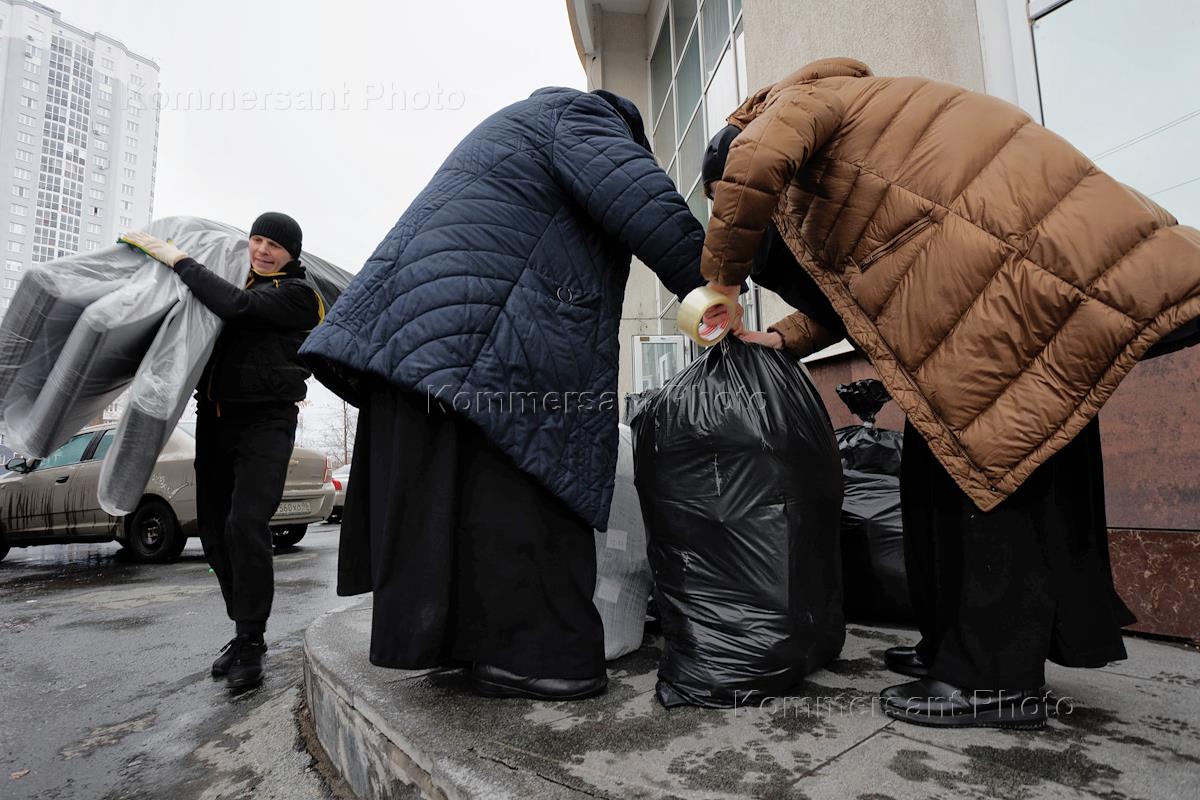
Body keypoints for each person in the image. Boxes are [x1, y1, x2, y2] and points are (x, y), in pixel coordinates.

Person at [700, 58, 1200, 728]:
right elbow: (857, 290)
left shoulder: (795, 107)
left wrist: (721, 284)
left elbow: (754, 165)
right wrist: (783, 337)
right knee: (936, 467)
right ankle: (953, 646)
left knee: (986, 468)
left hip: (1019, 282)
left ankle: (993, 679)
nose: (745, 217)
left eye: (722, 199)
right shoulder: (857, 149)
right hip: (1002, 285)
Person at [300, 88, 708, 701]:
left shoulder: (517, 130)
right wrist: (716, 288)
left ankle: (471, 647)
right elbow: (642, 198)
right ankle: (540, 660)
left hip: (426, 340)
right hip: (486, 342)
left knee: (459, 500)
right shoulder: (582, 114)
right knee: (527, 486)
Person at [120, 213, 325, 690]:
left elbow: (237, 306)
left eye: (274, 244)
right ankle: (243, 630)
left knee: (245, 523)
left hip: (266, 422)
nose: (263, 250)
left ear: (291, 253)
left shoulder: (298, 295)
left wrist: (179, 260)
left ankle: (251, 640)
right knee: (214, 534)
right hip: (214, 421)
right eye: (257, 240)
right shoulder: (236, 277)